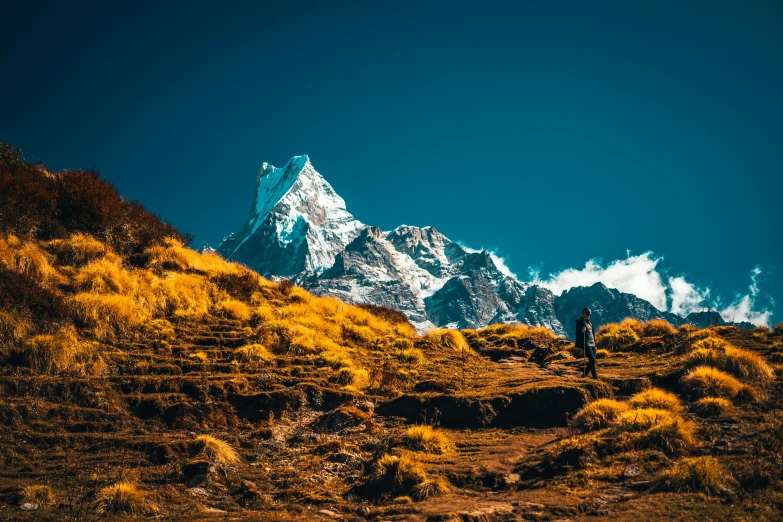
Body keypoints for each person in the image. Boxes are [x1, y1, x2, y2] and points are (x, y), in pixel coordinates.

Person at [575, 307, 598, 379]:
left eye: (589, 314)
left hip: (592, 343)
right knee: (592, 360)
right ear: (583, 314)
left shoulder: (589, 323)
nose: (588, 316)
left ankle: (595, 377)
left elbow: (592, 333)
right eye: (587, 314)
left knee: (593, 361)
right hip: (586, 343)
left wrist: (595, 344)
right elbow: (578, 334)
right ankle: (584, 376)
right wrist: (582, 331)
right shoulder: (580, 322)